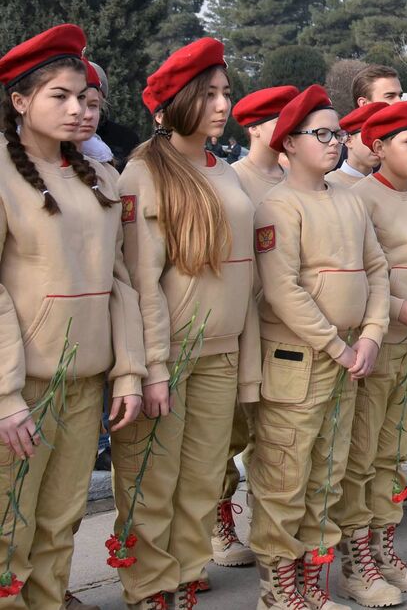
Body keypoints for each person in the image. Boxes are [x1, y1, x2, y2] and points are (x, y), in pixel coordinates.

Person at [0, 25, 145, 610]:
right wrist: (7, 393)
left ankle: (50, 597)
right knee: (11, 520)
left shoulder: (100, 178)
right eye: (57, 95)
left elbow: (120, 283)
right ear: (19, 101)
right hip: (25, 386)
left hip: (86, 381)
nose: (74, 108)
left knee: (61, 518)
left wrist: (130, 370)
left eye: (82, 96)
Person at [114, 38, 261, 610]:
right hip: (167, 353)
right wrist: (151, 365)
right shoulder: (144, 174)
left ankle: (184, 574)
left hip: (222, 351)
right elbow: (140, 282)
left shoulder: (223, 171)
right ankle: (150, 588)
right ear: (174, 104)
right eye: (208, 95)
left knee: (203, 476)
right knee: (152, 479)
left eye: (226, 93)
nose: (223, 105)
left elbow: (245, 276)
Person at [248, 85, 390, 609]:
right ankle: (278, 589)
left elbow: (377, 268)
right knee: (285, 476)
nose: (335, 142)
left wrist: (372, 334)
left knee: (327, 474)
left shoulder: (350, 201)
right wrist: (338, 345)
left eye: (339, 133)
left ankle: (312, 580)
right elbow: (284, 289)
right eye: (322, 133)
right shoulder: (277, 206)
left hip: (349, 357)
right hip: (298, 361)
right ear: (288, 142)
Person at [332, 100, 407, 601]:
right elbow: (364, 274)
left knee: (394, 454)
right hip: (373, 347)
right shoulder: (357, 198)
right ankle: (357, 561)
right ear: (378, 148)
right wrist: (397, 309)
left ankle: (383, 548)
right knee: (361, 456)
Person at [210, 84, 298, 570]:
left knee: (276, 434)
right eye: (280, 120)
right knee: (228, 431)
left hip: (291, 329)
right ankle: (220, 519)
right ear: (256, 127)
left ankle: (277, 531)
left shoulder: (299, 177)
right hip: (245, 322)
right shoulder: (233, 179)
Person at [326, 102, 388, 189]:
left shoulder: (387, 185)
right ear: (348, 141)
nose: (378, 146)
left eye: (383, 138)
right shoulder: (327, 185)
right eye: (369, 137)